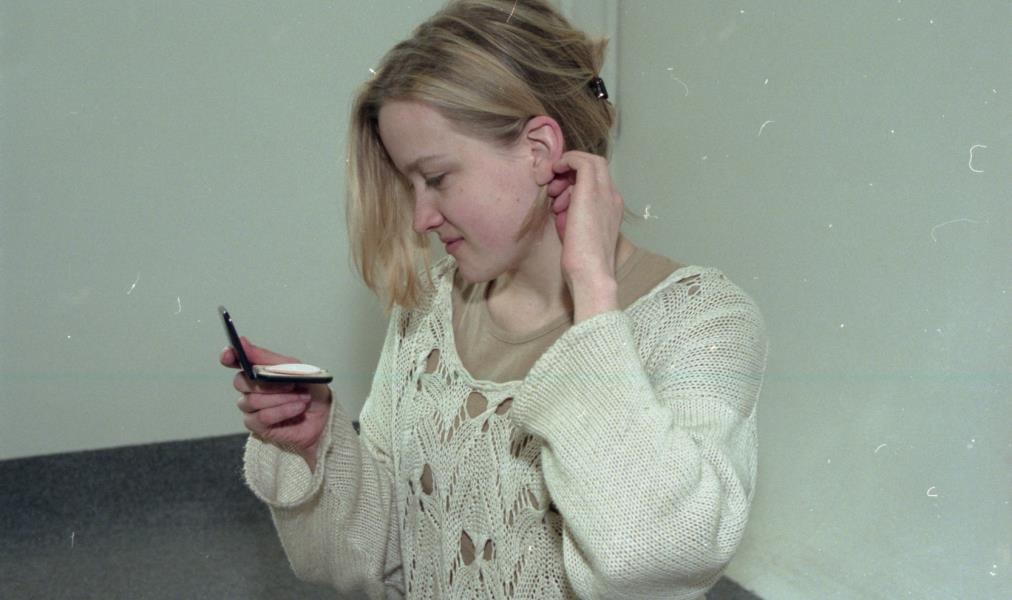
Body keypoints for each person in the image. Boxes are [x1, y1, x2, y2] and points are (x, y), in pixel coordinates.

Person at [219, 1, 769, 598]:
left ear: (539, 151)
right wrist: (318, 450)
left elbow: (655, 555)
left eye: (436, 178)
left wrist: (591, 289)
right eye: (409, 184)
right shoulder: (428, 309)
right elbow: (393, 552)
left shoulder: (705, 319)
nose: (421, 218)